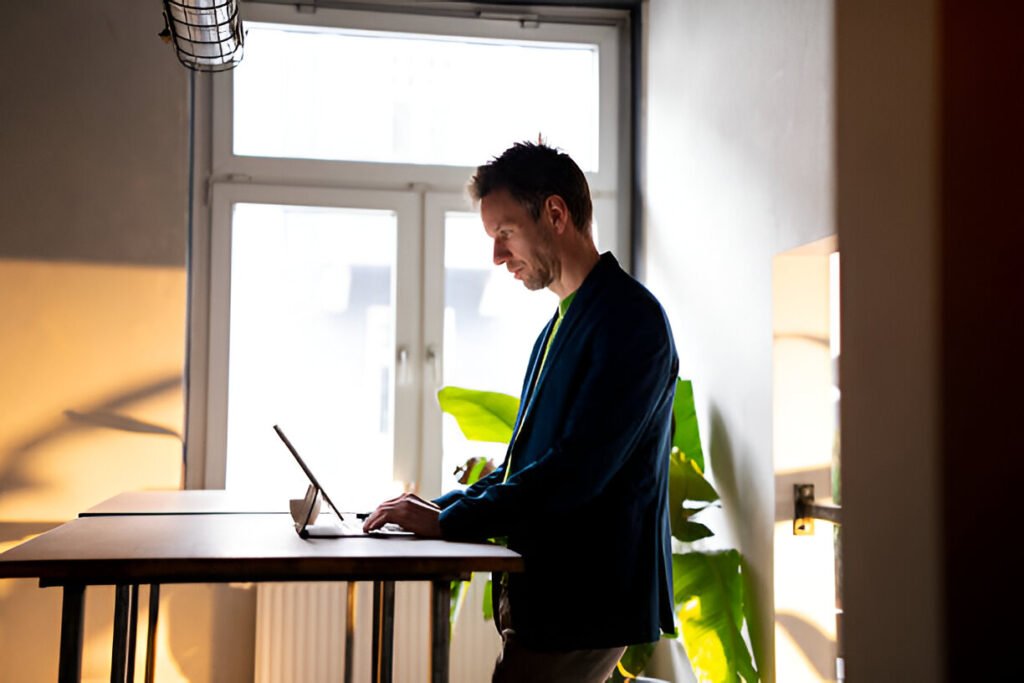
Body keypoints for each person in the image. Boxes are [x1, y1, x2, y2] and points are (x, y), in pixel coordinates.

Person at [364, 141, 677, 682]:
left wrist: (450, 519)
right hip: (553, 604)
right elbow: (526, 468)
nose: (497, 257)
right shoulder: (560, 325)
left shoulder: (631, 321)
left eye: (504, 234)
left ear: (555, 214)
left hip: (585, 606)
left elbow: (575, 472)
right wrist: (438, 505)